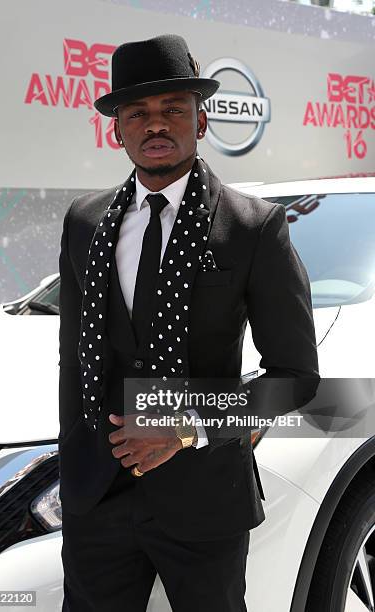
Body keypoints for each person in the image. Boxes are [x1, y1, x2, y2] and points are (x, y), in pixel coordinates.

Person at [58, 33, 319, 612]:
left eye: (174, 108)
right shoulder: (85, 222)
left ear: (201, 122)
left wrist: (186, 427)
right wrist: (74, 460)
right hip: (96, 499)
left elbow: (294, 378)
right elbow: (74, 360)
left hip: (204, 497)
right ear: (116, 128)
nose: (157, 124)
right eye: (138, 113)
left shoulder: (254, 228)